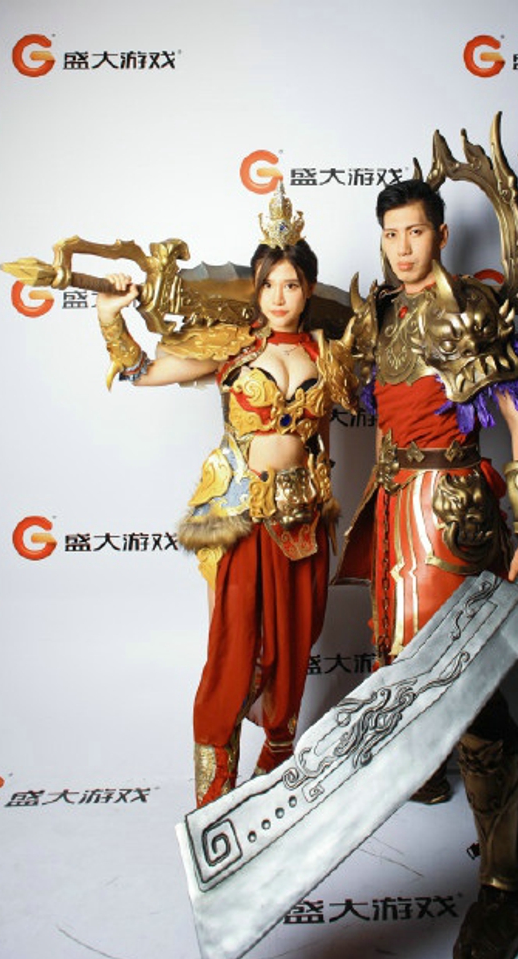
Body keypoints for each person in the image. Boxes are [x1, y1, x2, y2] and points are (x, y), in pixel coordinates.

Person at [336, 178, 518, 959]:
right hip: (398, 511)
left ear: (440, 234)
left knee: (472, 695)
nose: (403, 247)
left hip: (455, 513)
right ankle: (426, 769)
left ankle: (506, 883)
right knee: (403, 663)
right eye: (391, 233)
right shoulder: (384, 315)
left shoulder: (470, 310)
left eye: (416, 231)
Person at [95, 185, 357, 807]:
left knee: (293, 653)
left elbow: (336, 431)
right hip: (240, 517)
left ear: (309, 290)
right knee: (232, 653)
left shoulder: (332, 356)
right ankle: (212, 800)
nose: (279, 297)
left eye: (292, 285)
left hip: (302, 523)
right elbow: (141, 372)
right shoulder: (232, 346)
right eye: (269, 285)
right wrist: (110, 319)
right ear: (256, 290)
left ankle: (273, 779)